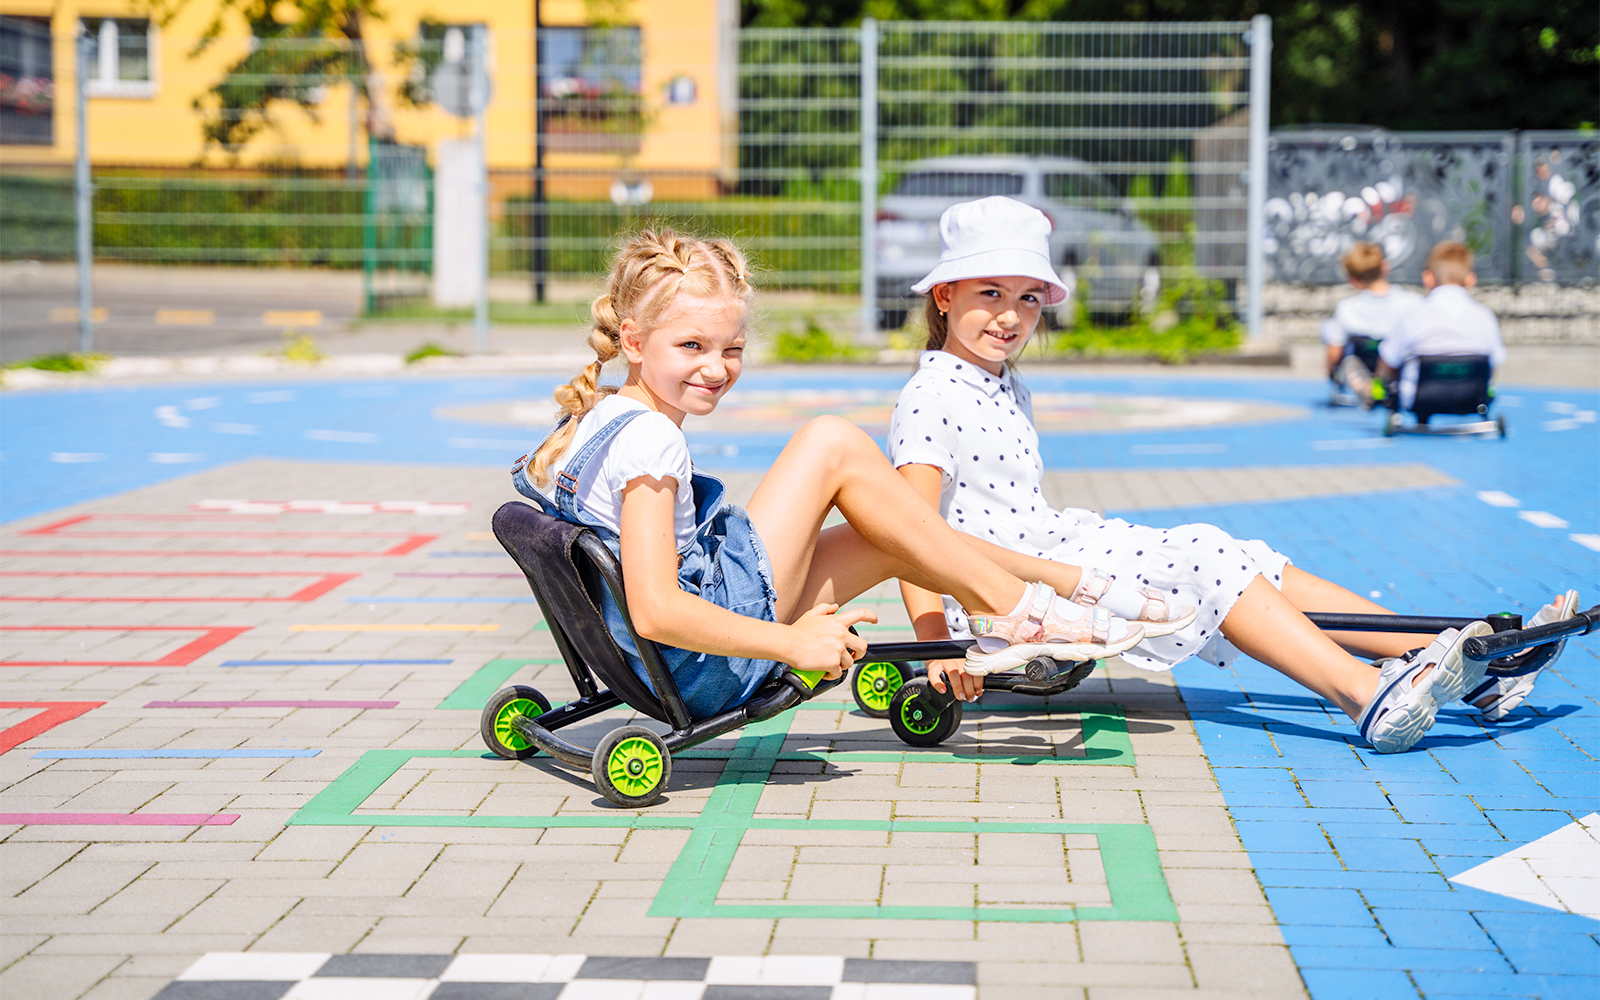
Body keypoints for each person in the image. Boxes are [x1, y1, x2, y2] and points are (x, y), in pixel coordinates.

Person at [888, 197, 1569, 753]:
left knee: (1248, 559)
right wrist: (933, 645)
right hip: (1003, 588)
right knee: (1209, 557)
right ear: (944, 296)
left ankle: (1464, 663)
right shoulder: (933, 395)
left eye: (1030, 298)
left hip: (1051, 551)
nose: (1011, 316)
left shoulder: (1002, 384)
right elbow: (909, 535)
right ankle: (1367, 697)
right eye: (990, 293)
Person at [511, 228, 1164, 723]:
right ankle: (1031, 610)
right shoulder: (651, 439)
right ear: (631, 340)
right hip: (695, 669)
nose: (716, 368)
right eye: (692, 346)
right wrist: (790, 641)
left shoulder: (598, 416)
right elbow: (657, 609)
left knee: (896, 529)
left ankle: (1032, 602)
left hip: (662, 654)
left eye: (732, 349)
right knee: (833, 443)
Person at [1376, 242, 1506, 414]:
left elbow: (1389, 360)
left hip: (1418, 399)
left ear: (1428, 278)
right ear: (1470, 279)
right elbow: (1495, 360)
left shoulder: (1413, 314)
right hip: (1473, 398)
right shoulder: (1485, 316)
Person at [1320, 241, 1422, 406]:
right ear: (1385, 267)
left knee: (1329, 330)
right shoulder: (1412, 302)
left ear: (1353, 279)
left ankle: (1369, 388)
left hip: (1364, 362)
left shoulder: (1347, 308)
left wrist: (1331, 369)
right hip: (1398, 369)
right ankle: (1379, 387)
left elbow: (1334, 353)